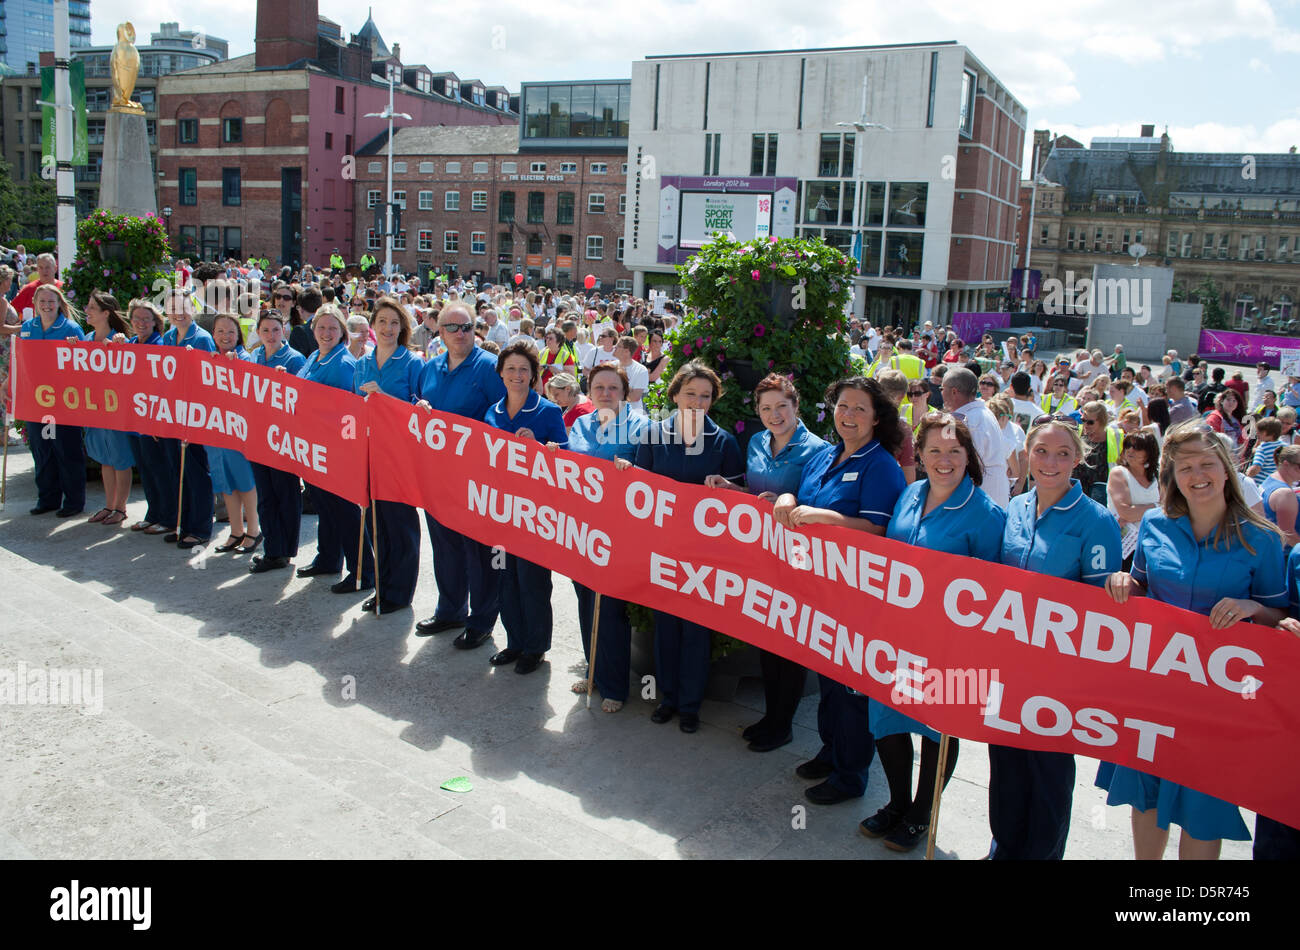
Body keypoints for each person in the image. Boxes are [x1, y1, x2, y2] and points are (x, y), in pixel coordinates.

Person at [1101, 421, 1286, 860]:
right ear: (1171, 474)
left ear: (1228, 470)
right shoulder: (1154, 525)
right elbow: (1142, 587)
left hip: (1219, 700)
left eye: (1206, 463)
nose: (1197, 475)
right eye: (1185, 466)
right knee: (1145, 794)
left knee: (1203, 805)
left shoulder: (1261, 538)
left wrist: (1252, 609)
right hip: (1154, 689)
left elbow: (1282, 617)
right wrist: (1125, 581)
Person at [864, 413, 1005, 850]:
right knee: (888, 721)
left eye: (954, 451)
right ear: (920, 456)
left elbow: (993, 594)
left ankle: (923, 811)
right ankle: (898, 803)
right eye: (934, 451)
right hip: (895, 638)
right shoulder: (908, 495)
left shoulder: (986, 515)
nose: (944, 459)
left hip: (949, 647)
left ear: (968, 456)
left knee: (936, 730)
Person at [993, 414, 1121, 860]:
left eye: (1063, 453)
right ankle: (1005, 846)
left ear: (1078, 460)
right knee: (1005, 763)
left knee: (1046, 770)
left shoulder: (1097, 520)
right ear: (1028, 454)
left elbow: (1101, 612)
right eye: (1042, 451)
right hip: (1007, 667)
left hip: (1058, 676)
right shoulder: (1014, 507)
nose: (1050, 462)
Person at [774, 376, 906, 804]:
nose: (848, 416)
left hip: (856, 596)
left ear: (876, 418)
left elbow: (878, 529)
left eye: (859, 409)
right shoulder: (827, 455)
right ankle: (830, 752)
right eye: (842, 406)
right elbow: (802, 495)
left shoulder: (880, 464)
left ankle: (851, 775)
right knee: (828, 681)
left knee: (851, 689)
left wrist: (825, 519)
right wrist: (789, 497)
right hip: (818, 590)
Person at [617, 363, 743, 734]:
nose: (698, 402)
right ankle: (667, 698)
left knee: (696, 631)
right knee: (665, 627)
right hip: (663, 550)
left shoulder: (724, 443)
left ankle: (690, 705)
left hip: (705, 555)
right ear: (674, 395)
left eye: (706, 396)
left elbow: (737, 504)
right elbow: (641, 493)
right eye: (691, 394)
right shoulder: (654, 435)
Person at [705, 374, 828, 751]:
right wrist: (732, 490)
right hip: (760, 554)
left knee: (790, 643)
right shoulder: (756, 441)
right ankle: (771, 716)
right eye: (766, 408)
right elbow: (754, 495)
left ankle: (783, 723)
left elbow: (818, 506)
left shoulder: (819, 450)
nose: (774, 415)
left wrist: (788, 499)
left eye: (781, 406)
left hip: (797, 560)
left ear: (796, 406)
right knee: (767, 637)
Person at [414, 301, 508, 648]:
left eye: (467, 327)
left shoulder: (488, 368)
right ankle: (450, 608)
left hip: (475, 478)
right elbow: (420, 411)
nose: (460, 334)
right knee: (445, 546)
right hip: (437, 476)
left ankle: (482, 620)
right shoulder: (430, 368)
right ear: (439, 331)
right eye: (452, 327)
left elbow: (503, 419)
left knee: (478, 551)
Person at [562, 363, 650, 712]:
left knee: (610, 606)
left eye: (613, 388)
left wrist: (632, 473)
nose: (605, 393)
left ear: (625, 393)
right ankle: (594, 669)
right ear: (589, 390)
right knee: (585, 600)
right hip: (581, 527)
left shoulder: (641, 427)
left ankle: (615, 684)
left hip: (619, 531)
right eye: (599, 387)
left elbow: (651, 476)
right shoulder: (581, 423)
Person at [484, 341, 569, 674]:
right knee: (505, 578)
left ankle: (535, 647)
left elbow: (564, 459)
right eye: (510, 369)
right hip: (501, 508)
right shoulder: (492, 411)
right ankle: (515, 641)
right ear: (501, 374)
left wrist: (538, 448)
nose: (516, 375)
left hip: (535, 512)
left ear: (534, 375)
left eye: (523, 369)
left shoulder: (547, 411)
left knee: (532, 580)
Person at [294, 305, 373, 593]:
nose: (326, 333)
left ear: (342, 333)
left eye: (332, 328)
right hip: (312, 446)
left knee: (344, 511)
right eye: (321, 327)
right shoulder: (315, 356)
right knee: (324, 508)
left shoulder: (343, 364)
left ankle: (362, 571)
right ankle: (328, 558)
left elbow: (346, 412)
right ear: (313, 330)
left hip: (334, 450)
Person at [353, 298, 424, 611]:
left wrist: (384, 399)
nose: (387, 328)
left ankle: (400, 591)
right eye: (382, 321)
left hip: (400, 455)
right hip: (369, 453)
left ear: (402, 327)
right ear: (373, 325)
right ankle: (382, 586)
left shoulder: (412, 363)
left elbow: (420, 412)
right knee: (376, 524)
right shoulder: (362, 364)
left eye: (394, 322)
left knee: (401, 525)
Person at [247, 312, 308, 573]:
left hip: (283, 438)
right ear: (259, 333)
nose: (271, 336)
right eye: (266, 331)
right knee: (266, 495)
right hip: (258, 435)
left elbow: (303, 398)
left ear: (283, 330)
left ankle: (283, 550)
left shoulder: (294, 359)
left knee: (285, 494)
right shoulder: (255, 356)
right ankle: (272, 546)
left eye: (275, 330)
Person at [18, 282, 85, 517]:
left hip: (64, 403)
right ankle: (47, 498)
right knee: (42, 450)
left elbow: (84, 365)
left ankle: (74, 501)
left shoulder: (72, 329)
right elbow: (20, 363)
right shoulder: (27, 328)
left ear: (59, 304)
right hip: (36, 403)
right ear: (35, 304)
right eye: (42, 301)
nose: (46, 305)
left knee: (66, 451)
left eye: (51, 301)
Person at [159, 290, 217, 548]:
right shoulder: (168, 337)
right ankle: (182, 523)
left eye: (182, 307)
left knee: (196, 472)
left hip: (194, 415)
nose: (178, 313)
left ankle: (201, 527)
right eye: (172, 308)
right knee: (177, 471)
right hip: (172, 412)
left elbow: (209, 378)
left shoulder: (202, 338)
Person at [208, 313, 262, 553]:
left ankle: (254, 531)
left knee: (244, 481)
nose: (225, 336)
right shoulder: (210, 359)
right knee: (225, 482)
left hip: (238, 432)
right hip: (216, 430)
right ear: (213, 334)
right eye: (220, 331)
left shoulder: (244, 359)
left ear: (238, 334)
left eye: (230, 331)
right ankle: (235, 531)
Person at [80, 292, 135, 526]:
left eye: (92, 307)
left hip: (116, 409)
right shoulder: (86, 338)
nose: (87, 311)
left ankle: (120, 508)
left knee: (120, 457)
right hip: (95, 407)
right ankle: (109, 505)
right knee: (105, 458)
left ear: (106, 313)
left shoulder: (120, 339)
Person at [124, 300, 172, 534]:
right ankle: (152, 513)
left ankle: (167, 516)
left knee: (159, 469)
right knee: (145, 469)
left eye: (146, 319)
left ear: (155, 322)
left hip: (153, 420)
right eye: (137, 318)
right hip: (135, 420)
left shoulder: (159, 345)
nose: (141, 323)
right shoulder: (130, 343)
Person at [941, 367, 1010, 508]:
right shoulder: (981, 412)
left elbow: (967, 466)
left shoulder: (969, 420)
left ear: (954, 391)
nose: (941, 393)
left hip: (980, 502)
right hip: (990, 496)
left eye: (942, 388)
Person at [1107, 430, 1160, 568]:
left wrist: (1138, 512)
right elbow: (1126, 513)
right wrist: (1158, 507)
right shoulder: (1118, 473)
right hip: (1125, 547)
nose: (1130, 450)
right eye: (1128, 445)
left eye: (1137, 447)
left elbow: (1171, 507)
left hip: (1153, 542)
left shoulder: (1157, 475)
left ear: (1149, 453)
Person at [1076, 401, 1122, 505]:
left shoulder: (1115, 436)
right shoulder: (1078, 433)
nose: (1085, 425)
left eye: (1090, 422)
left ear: (1101, 421)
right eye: (1083, 420)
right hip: (1078, 487)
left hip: (1102, 488)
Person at [1259, 445, 1300, 551]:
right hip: (1286, 556)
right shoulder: (1285, 494)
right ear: (1286, 464)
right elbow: (1288, 534)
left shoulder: (1271, 478)